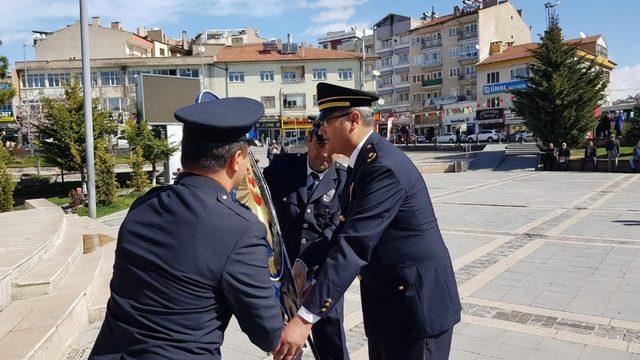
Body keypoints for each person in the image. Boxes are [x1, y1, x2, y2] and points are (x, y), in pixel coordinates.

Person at [275, 83, 461, 360]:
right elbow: (343, 226)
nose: (322, 130)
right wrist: (305, 262)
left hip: (416, 310)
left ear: (353, 120)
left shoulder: (381, 167)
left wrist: (305, 318)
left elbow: (353, 245)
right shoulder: (362, 162)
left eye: (327, 121)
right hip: (390, 304)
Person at [89, 98, 283, 359]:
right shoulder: (240, 229)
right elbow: (267, 332)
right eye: (248, 156)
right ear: (237, 160)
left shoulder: (142, 206)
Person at [264, 124, 348, 360]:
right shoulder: (282, 169)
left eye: (331, 148)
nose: (325, 154)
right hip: (284, 277)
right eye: (320, 145)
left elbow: (337, 232)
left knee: (331, 344)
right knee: (286, 348)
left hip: (322, 277)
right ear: (308, 139)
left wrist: (311, 269)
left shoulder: (342, 181)